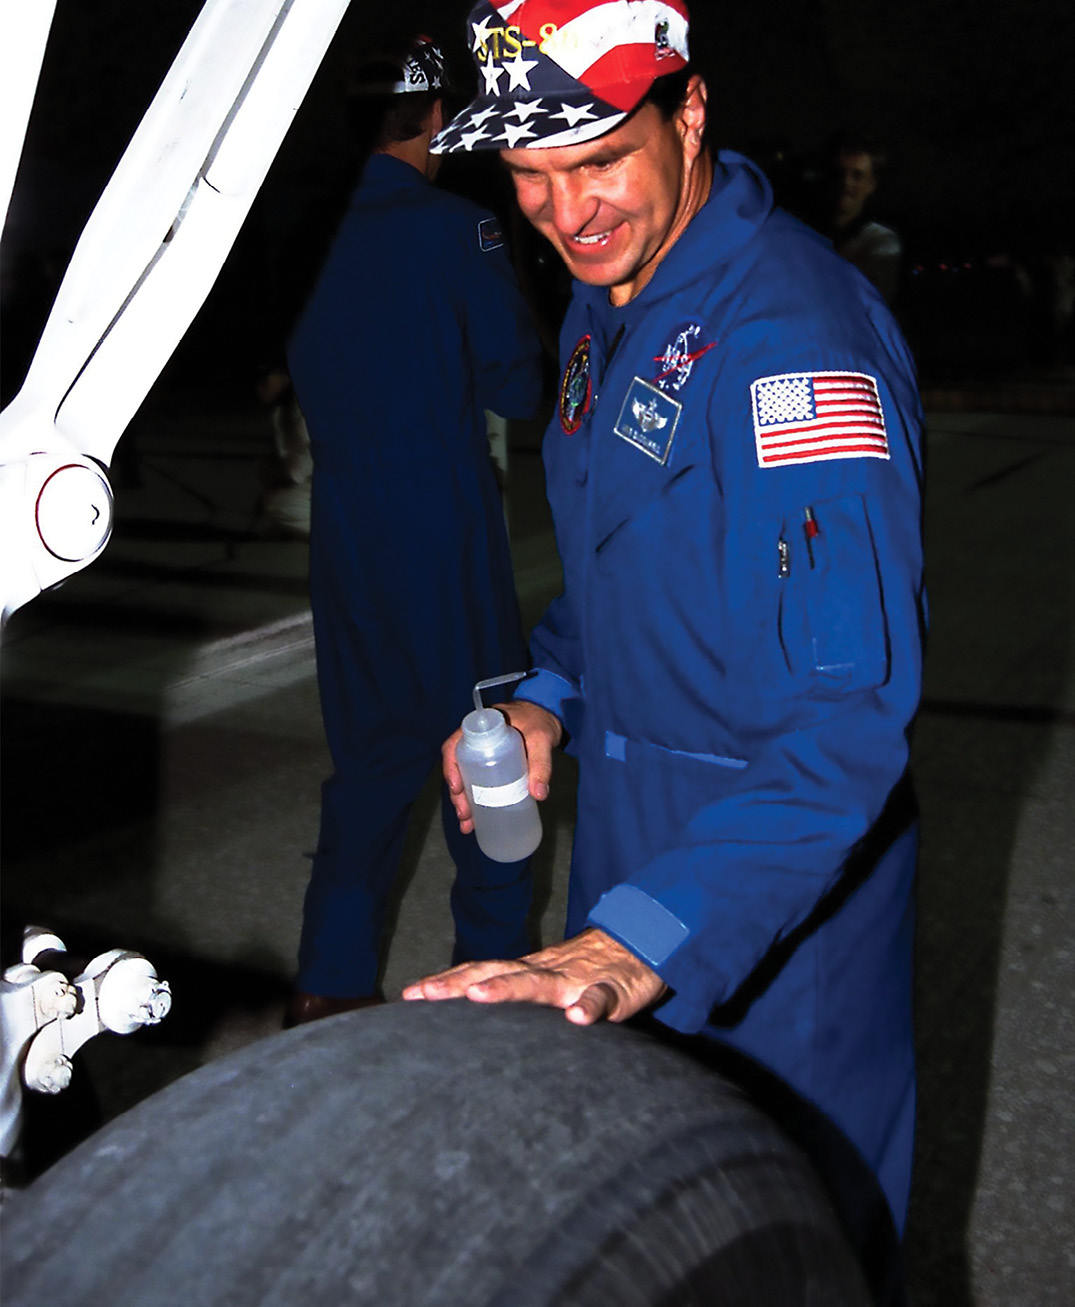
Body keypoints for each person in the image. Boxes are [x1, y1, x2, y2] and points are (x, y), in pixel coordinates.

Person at [403, 0, 926, 1235]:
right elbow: (613, 578)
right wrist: (548, 697)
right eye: (526, 176)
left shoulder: (792, 348)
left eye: (595, 161)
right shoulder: (611, 301)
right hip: (636, 858)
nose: (563, 213)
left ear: (687, 114)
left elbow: (841, 730)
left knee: (788, 1234)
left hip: (775, 893)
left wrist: (628, 942)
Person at [285, 36, 544, 1025]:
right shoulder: (457, 228)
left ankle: (328, 982)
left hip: (344, 528)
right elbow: (518, 382)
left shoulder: (302, 233)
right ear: (437, 115)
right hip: (441, 523)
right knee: (490, 755)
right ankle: (492, 979)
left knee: (371, 757)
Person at [826, 133, 903, 303]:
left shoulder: (882, 242)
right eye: (839, 173)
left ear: (872, 184)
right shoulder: (807, 230)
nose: (846, 182)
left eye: (857, 175)